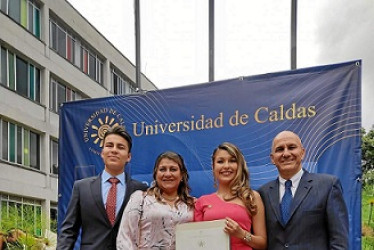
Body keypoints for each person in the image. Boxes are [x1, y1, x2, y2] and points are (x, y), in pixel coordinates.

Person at [57, 126, 148, 250]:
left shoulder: (141, 190)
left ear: (128, 157)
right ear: (102, 152)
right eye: (109, 145)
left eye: (120, 147)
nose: (114, 150)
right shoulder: (82, 188)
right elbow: (69, 232)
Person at [258, 130, 349, 249]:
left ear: (302, 153)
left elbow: (339, 242)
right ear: (272, 158)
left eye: (291, 147)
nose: (286, 153)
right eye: (280, 149)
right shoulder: (262, 193)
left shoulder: (328, 186)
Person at [194, 142, 267, 250]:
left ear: (239, 165)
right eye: (220, 161)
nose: (226, 166)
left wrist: (242, 234)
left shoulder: (252, 197)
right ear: (213, 167)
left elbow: (262, 244)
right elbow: (196, 243)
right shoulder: (202, 202)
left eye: (232, 161)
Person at [117, 151, 195, 250]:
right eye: (162, 169)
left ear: (182, 176)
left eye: (173, 169)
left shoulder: (192, 204)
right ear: (155, 174)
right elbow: (125, 239)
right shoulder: (140, 199)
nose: (167, 174)